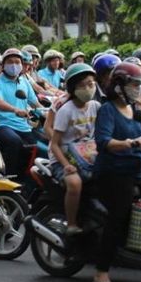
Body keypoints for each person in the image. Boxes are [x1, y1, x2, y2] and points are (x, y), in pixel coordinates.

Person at [93, 63, 141, 282]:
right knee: (118, 217)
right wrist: (130, 143)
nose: (138, 89)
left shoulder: (135, 110)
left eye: (140, 85)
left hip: (137, 168)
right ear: (120, 86)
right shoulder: (108, 110)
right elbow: (104, 142)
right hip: (113, 171)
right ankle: (101, 272)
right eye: (134, 84)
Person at [48, 63, 98, 236]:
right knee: (74, 183)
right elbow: (54, 143)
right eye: (82, 85)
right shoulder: (66, 111)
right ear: (72, 88)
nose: (88, 88)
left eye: (91, 84)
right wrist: (65, 165)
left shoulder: (95, 107)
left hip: (87, 156)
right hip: (62, 158)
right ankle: (71, 224)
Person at [0, 48, 44, 177]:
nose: (14, 65)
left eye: (17, 62)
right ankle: (9, 177)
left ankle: (31, 178)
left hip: (24, 126)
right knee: (14, 142)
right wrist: (15, 109)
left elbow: (35, 103)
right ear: (2, 66)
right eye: (10, 62)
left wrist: (49, 111)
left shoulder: (24, 82)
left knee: (41, 144)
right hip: (1, 125)